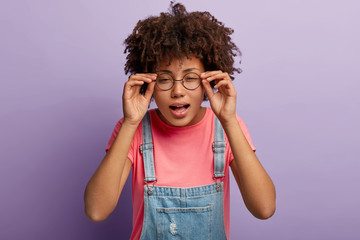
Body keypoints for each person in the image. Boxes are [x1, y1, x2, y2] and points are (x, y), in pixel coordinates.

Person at [84, 2, 276, 239]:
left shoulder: (227, 128)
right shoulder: (131, 130)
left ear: (210, 81)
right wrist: (130, 123)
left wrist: (228, 121)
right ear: (149, 83)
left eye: (190, 78)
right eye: (165, 79)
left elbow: (264, 208)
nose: (178, 91)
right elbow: (96, 211)